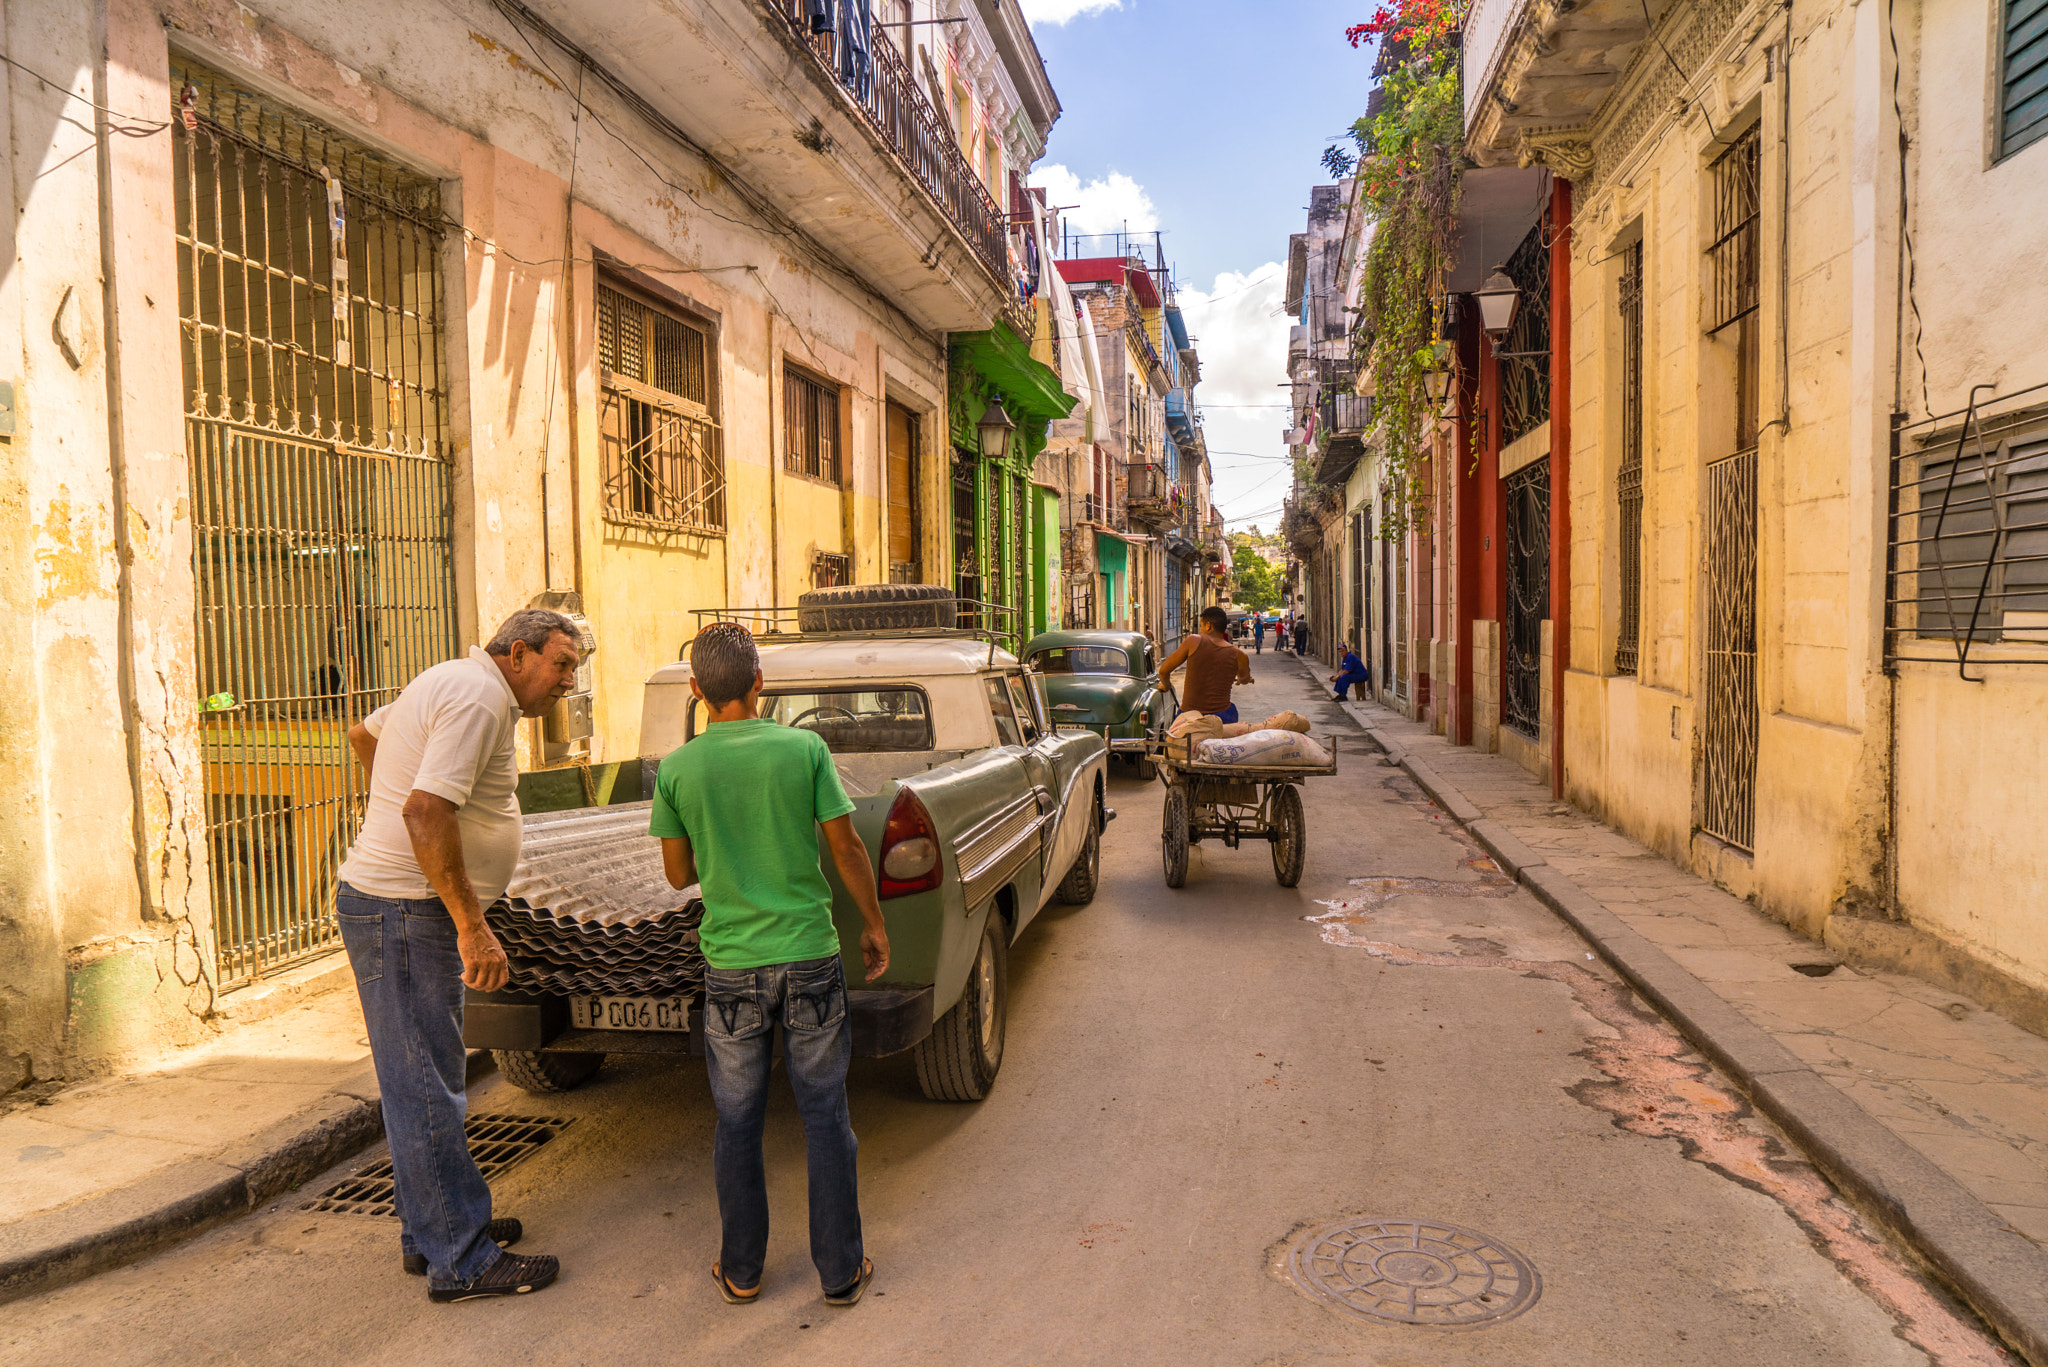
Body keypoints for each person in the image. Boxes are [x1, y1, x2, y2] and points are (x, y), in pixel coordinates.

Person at [339, 609, 582, 1301]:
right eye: (561, 663)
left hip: (396, 905)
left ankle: (435, 1229)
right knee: (427, 1084)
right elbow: (424, 811)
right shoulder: (478, 697)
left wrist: (384, 814)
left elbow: (366, 733)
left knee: (420, 1079)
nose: (570, 680)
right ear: (517, 653)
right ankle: (463, 1260)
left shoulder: (458, 679)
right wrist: (472, 926)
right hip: (406, 912)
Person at [652, 623, 891, 1311]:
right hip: (811, 956)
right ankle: (841, 1271)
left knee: (737, 1121)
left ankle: (743, 1270)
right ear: (760, 684)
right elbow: (845, 850)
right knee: (825, 1117)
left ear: (696, 690)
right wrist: (873, 923)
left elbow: (675, 875)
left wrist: (722, 842)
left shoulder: (679, 767)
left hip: (731, 967)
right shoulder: (805, 748)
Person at [1159, 605, 1253, 725]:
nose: (1201, 631)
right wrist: (1244, 679)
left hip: (1189, 715)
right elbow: (1244, 679)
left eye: (1201, 626)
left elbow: (1163, 671)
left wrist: (1166, 685)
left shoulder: (1193, 641)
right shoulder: (1240, 655)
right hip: (1222, 717)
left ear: (1208, 626)